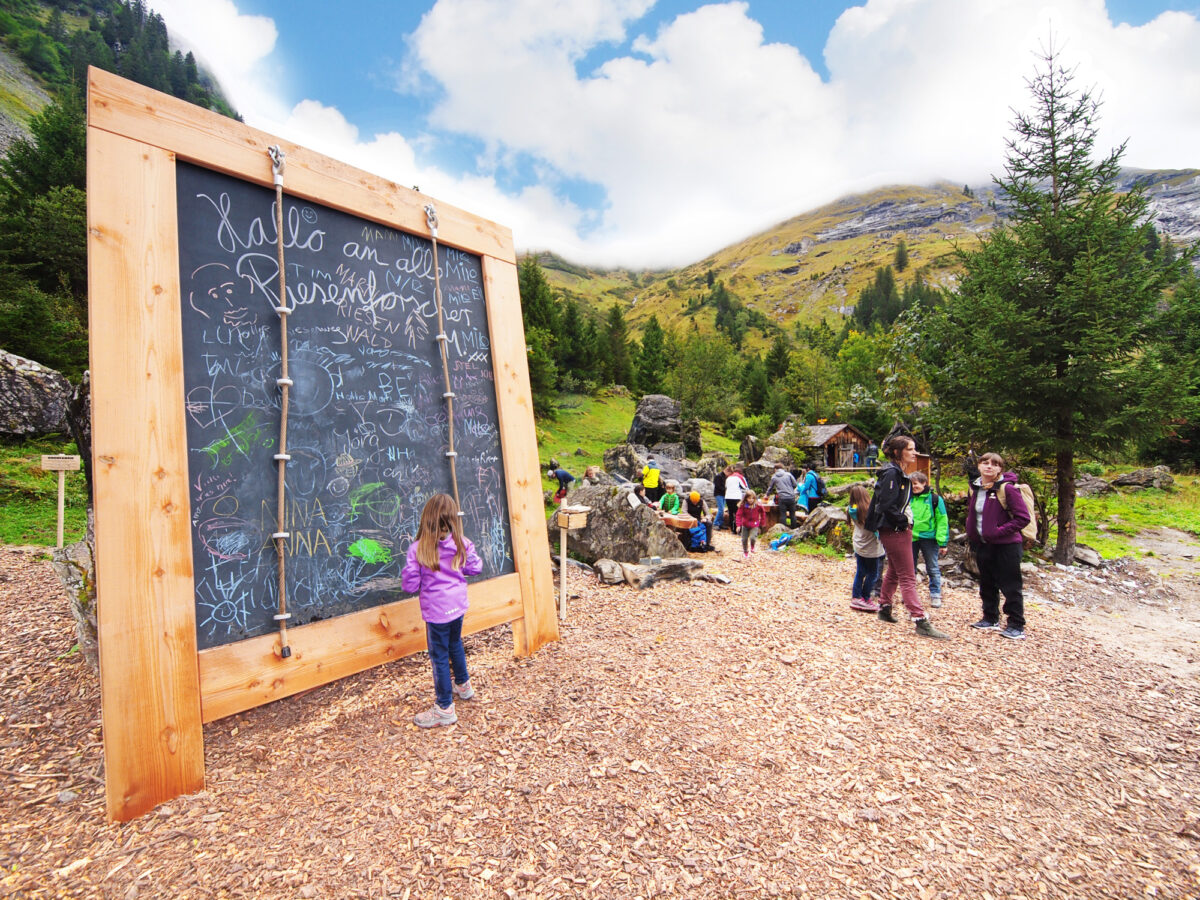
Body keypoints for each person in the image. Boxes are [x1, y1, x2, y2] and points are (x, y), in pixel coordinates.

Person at [402, 493, 484, 728]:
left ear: (426, 520)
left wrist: (412, 572)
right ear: (452, 521)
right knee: (455, 644)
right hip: (457, 606)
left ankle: (445, 708)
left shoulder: (418, 549)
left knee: (439, 656)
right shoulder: (461, 542)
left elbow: (409, 586)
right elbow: (475, 568)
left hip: (436, 612)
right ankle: (463, 685)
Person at [865, 436, 949, 639]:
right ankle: (920, 620)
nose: (914, 452)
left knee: (895, 570)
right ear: (897, 452)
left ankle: (884, 608)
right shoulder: (892, 473)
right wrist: (903, 522)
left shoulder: (897, 472)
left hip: (893, 528)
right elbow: (886, 504)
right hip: (894, 529)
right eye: (910, 449)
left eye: (915, 449)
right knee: (908, 576)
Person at [967, 451, 1031, 639]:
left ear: (1000, 469)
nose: (989, 466)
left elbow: (1022, 518)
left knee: (1010, 585)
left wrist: (997, 531)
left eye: (994, 464)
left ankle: (1016, 624)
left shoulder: (1007, 489)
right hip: (983, 543)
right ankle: (990, 617)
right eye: (985, 462)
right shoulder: (975, 487)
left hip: (1006, 545)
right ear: (978, 466)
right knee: (987, 582)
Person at [909, 471, 948, 609]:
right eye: (911, 484)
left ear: (924, 483)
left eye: (916, 484)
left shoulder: (935, 499)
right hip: (911, 537)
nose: (914, 487)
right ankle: (910, 595)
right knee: (909, 568)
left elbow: (942, 520)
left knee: (932, 567)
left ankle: (936, 594)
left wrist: (942, 542)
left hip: (929, 538)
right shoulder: (908, 498)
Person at [766, 461, 800, 528]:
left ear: (775, 469)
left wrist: (767, 495)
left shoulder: (774, 477)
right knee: (792, 514)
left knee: (783, 514)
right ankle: (794, 529)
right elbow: (795, 484)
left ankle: (783, 529)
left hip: (782, 497)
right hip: (791, 496)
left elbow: (770, 488)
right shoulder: (788, 474)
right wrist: (790, 489)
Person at [736, 489, 766, 559]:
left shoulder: (758, 505)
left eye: (753, 498)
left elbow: (763, 513)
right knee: (744, 539)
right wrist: (738, 525)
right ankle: (745, 551)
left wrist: (762, 522)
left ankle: (752, 546)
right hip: (745, 524)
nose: (751, 500)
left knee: (753, 537)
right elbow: (738, 515)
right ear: (746, 498)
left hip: (754, 524)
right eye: (749, 498)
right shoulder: (743, 506)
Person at [724, 464, 749, 533]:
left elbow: (726, 487)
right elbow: (746, 487)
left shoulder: (728, 478)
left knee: (731, 513)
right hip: (736, 497)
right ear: (740, 472)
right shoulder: (740, 477)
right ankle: (738, 529)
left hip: (728, 497)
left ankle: (732, 529)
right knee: (738, 513)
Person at [712, 466, 728, 531]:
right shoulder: (718, 476)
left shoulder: (725, 477)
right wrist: (725, 490)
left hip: (723, 495)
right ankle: (715, 523)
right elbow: (717, 486)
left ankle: (720, 523)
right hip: (718, 494)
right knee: (721, 509)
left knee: (722, 509)